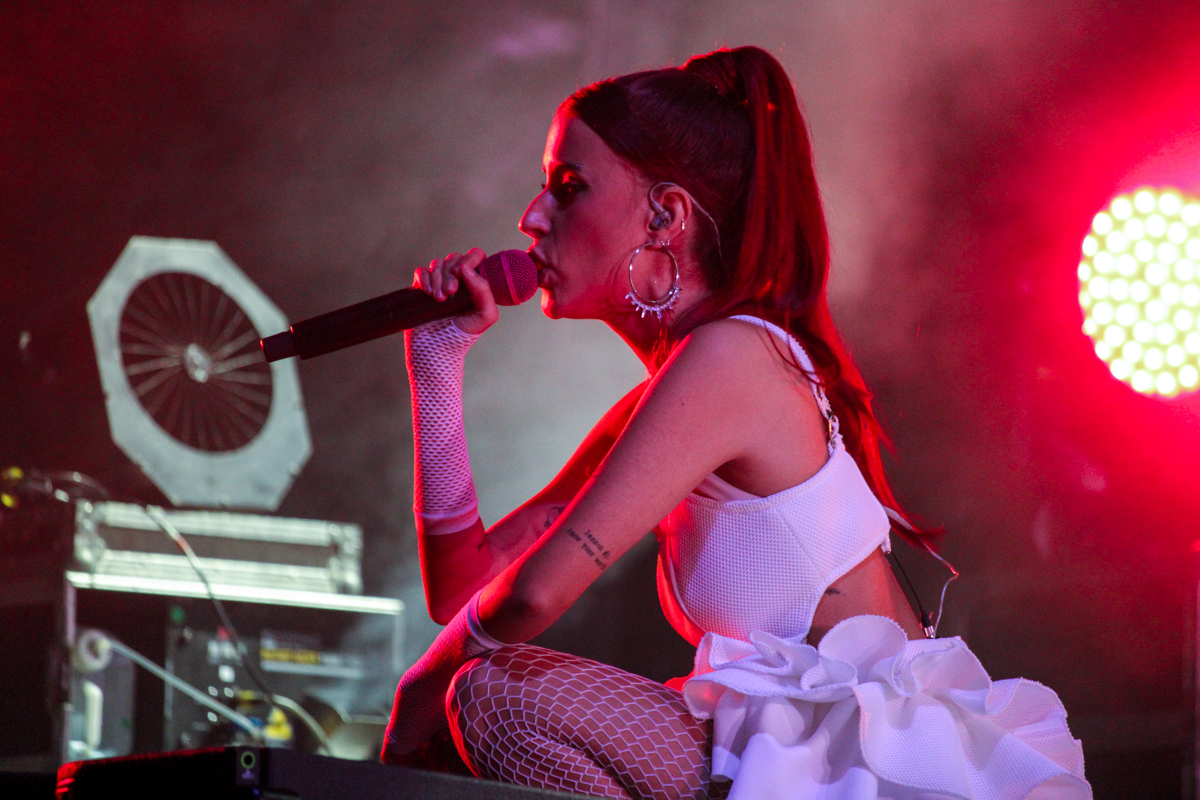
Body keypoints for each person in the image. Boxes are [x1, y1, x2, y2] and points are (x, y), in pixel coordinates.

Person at [381, 46, 1090, 800]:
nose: (531, 217)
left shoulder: (732, 355)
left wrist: (420, 686)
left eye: (569, 186)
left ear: (666, 214)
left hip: (857, 771)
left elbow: (533, 598)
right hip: (795, 759)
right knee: (475, 699)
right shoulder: (677, 392)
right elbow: (467, 591)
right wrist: (437, 364)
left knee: (493, 696)